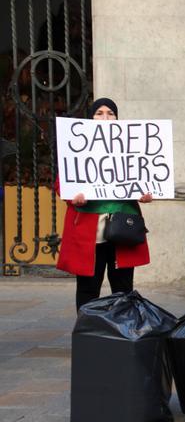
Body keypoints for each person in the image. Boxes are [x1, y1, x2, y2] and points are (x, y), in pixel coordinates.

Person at [56, 98, 153, 309]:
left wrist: (145, 194)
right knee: (88, 288)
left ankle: (123, 334)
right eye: (99, 113)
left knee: (123, 287)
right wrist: (72, 196)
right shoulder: (77, 147)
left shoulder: (130, 147)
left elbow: (141, 178)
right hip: (89, 231)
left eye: (110, 113)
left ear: (117, 118)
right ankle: (87, 332)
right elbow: (61, 182)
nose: (105, 117)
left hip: (123, 228)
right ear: (91, 118)